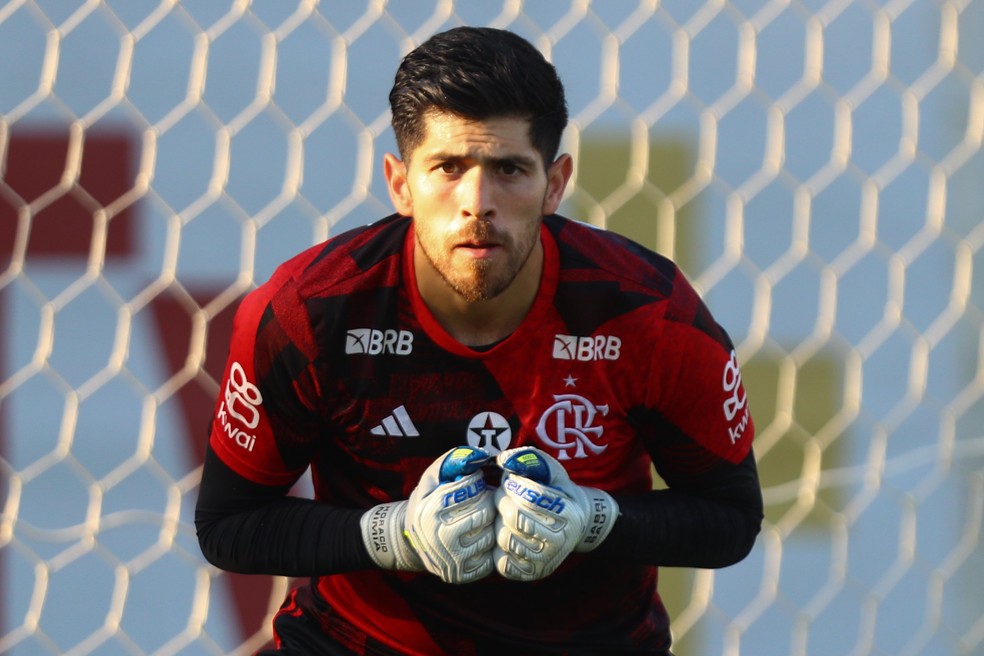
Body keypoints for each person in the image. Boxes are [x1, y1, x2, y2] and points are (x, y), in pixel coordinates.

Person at [196, 25, 763, 656]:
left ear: (555, 183)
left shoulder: (649, 313)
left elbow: (732, 520)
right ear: (399, 183)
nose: (478, 202)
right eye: (448, 167)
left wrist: (593, 520)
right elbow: (229, 525)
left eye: (509, 169)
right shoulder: (308, 310)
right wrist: (394, 535)